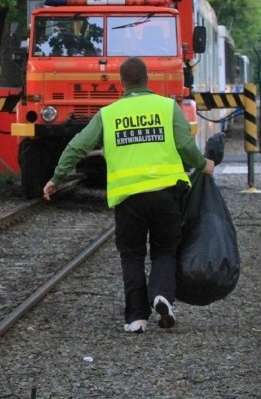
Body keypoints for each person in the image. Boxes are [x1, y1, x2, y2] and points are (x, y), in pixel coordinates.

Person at [43, 57, 215, 334]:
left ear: (121, 83)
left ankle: (136, 318)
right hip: (166, 193)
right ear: (148, 79)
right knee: (165, 251)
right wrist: (203, 164)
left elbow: (77, 146)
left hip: (128, 198)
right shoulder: (167, 107)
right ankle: (161, 296)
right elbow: (185, 145)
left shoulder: (108, 114)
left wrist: (56, 178)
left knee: (132, 256)